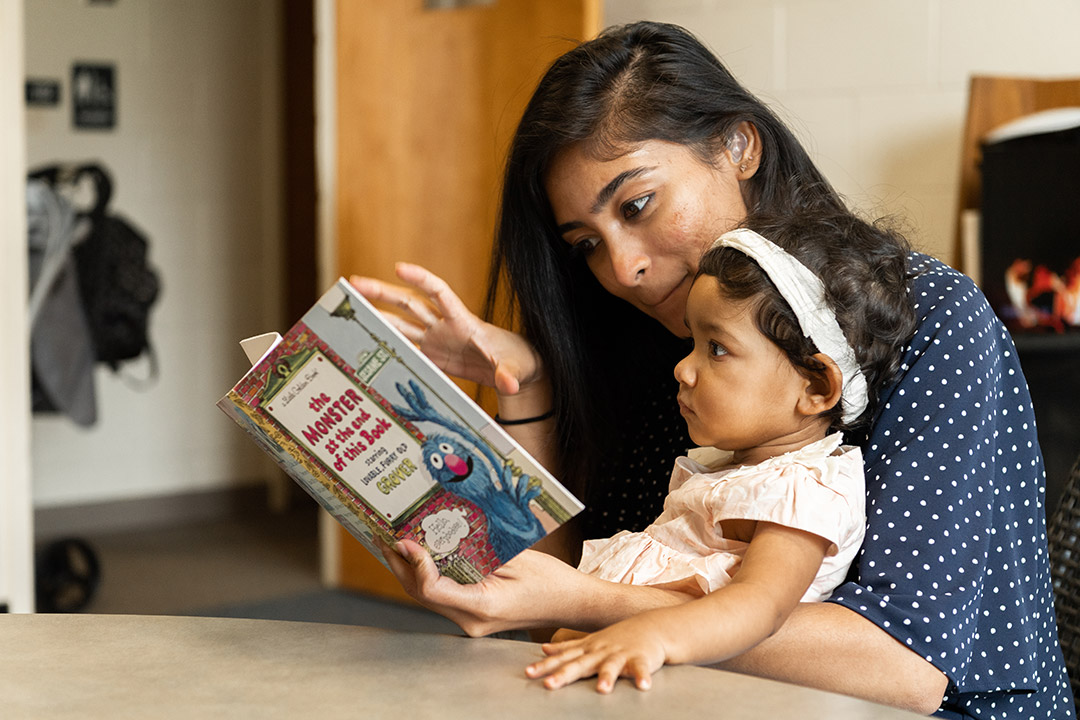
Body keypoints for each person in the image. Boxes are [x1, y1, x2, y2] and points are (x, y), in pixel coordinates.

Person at [352, 21, 1075, 718]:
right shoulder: (669, 346)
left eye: (638, 204)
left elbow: (900, 667)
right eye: (586, 246)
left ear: (738, 145)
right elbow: (553, 614)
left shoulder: (933, 316)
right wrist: (528, 383)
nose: (624, 269)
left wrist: (589, 605)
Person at [523, 210, 916, 693]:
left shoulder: (801, 490)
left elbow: (760, 606)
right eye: (693, 342)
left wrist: (657, 636)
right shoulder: (731, 475)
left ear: (815, 385)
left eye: (717, 349)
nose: (682, 370)